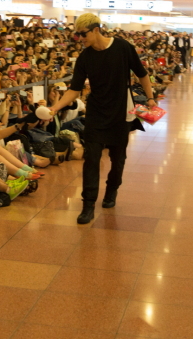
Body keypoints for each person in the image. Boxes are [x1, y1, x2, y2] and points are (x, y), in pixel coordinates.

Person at [48, 14, 156, 224]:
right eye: (78, 35)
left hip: (121, 114)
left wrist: (150, 98)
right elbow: (74, 90)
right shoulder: (85, 57)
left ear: (96, 29)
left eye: (83, 34)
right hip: (96, 113)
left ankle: (112, 190)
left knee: (118, 160)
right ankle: (88, 205)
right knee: (91, 159)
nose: (80, 38)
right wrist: (55, 107)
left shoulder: (123, 47)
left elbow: (142, 74)